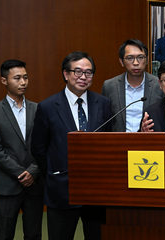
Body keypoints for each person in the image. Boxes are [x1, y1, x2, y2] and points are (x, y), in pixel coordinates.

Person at [31, 51, 111, 240]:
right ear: (66, 74)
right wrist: (54, 172)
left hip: (96, 192)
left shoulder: (104, 103)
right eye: (78, 72)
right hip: (61, 191)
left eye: (89, 73)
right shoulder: (48, 106)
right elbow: (38, 149)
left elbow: (108, 142)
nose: (83, 77)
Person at [0, 59, 44, 240]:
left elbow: (44, 145)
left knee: (34, 234)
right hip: (8, 185)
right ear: (4, 81)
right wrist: (21, 174)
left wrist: (33, 171)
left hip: (34, 184)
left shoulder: (38, 108)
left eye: (25, 77)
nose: (23, 82)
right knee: (4, 234)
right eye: (17, 78)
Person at [102, 39, 164, 132]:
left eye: (140, 57)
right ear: (121, 62)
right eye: (130, 58)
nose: (136, 63)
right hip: (119, 144)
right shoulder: (110, 86)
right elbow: (105, 121)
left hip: (150, 143)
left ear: (147, 60)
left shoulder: (159, 85)